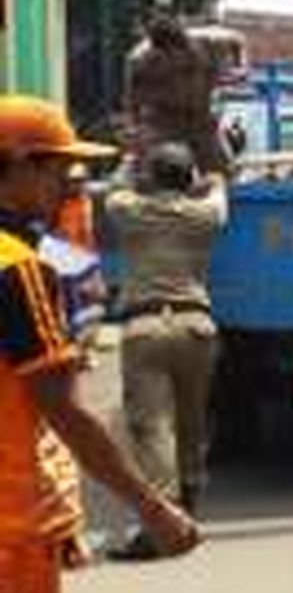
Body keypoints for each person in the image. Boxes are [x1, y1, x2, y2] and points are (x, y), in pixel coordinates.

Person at [0, 95, 200, 593]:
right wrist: (152, 507)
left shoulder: (62, 239)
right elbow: (65, 411)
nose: (67, 182)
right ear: (15, 167)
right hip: (9, 526)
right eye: (56, 167)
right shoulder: (17, 268)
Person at [105, 141, 227, 558]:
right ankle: (189, 502)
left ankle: (160, 524)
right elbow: (218, 194)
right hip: (197, 326)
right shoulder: (204, 216)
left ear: (151, 178)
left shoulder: (129, 211)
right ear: (188, 178)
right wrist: (212, 180)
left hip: (145, 328)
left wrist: (129, 166)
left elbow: (115, 186)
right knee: (192, 420)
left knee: (153, 427)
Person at [125, 10, 230, 174]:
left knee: (215, 169)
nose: (175, 57)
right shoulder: (143, 60)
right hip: (165, 121)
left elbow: (235, 43)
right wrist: (134, 126)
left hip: (197, 120)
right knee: (152, 167)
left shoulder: (204, 47)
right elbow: (133, 98)